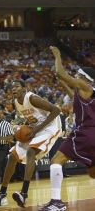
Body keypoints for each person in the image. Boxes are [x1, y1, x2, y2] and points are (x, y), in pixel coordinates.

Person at [0, 80, 62, 208]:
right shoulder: (16, 103)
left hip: (50, 127)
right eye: (12, 87)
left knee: (31, 151)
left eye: (16, 86)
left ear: (24, 88)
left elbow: (56, 111)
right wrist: (20, 129)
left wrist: (37, 129)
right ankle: (1, 195)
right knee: (12, 156)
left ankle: (24, 194)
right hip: (35, 128)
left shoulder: (31, 98)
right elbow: (30, 119)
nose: (13, 89)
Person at [38, 46, 95, 211]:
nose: (75, 76)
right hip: (92, 133)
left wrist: (57, 56)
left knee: (56, 159)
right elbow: (74, 97)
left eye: (77, 75)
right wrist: (63, 84)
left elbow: (62, 73)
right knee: (93, 173)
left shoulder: (85, 86)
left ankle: (56, 202)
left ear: (84, 78)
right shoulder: (88, 92)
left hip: (85, 132)